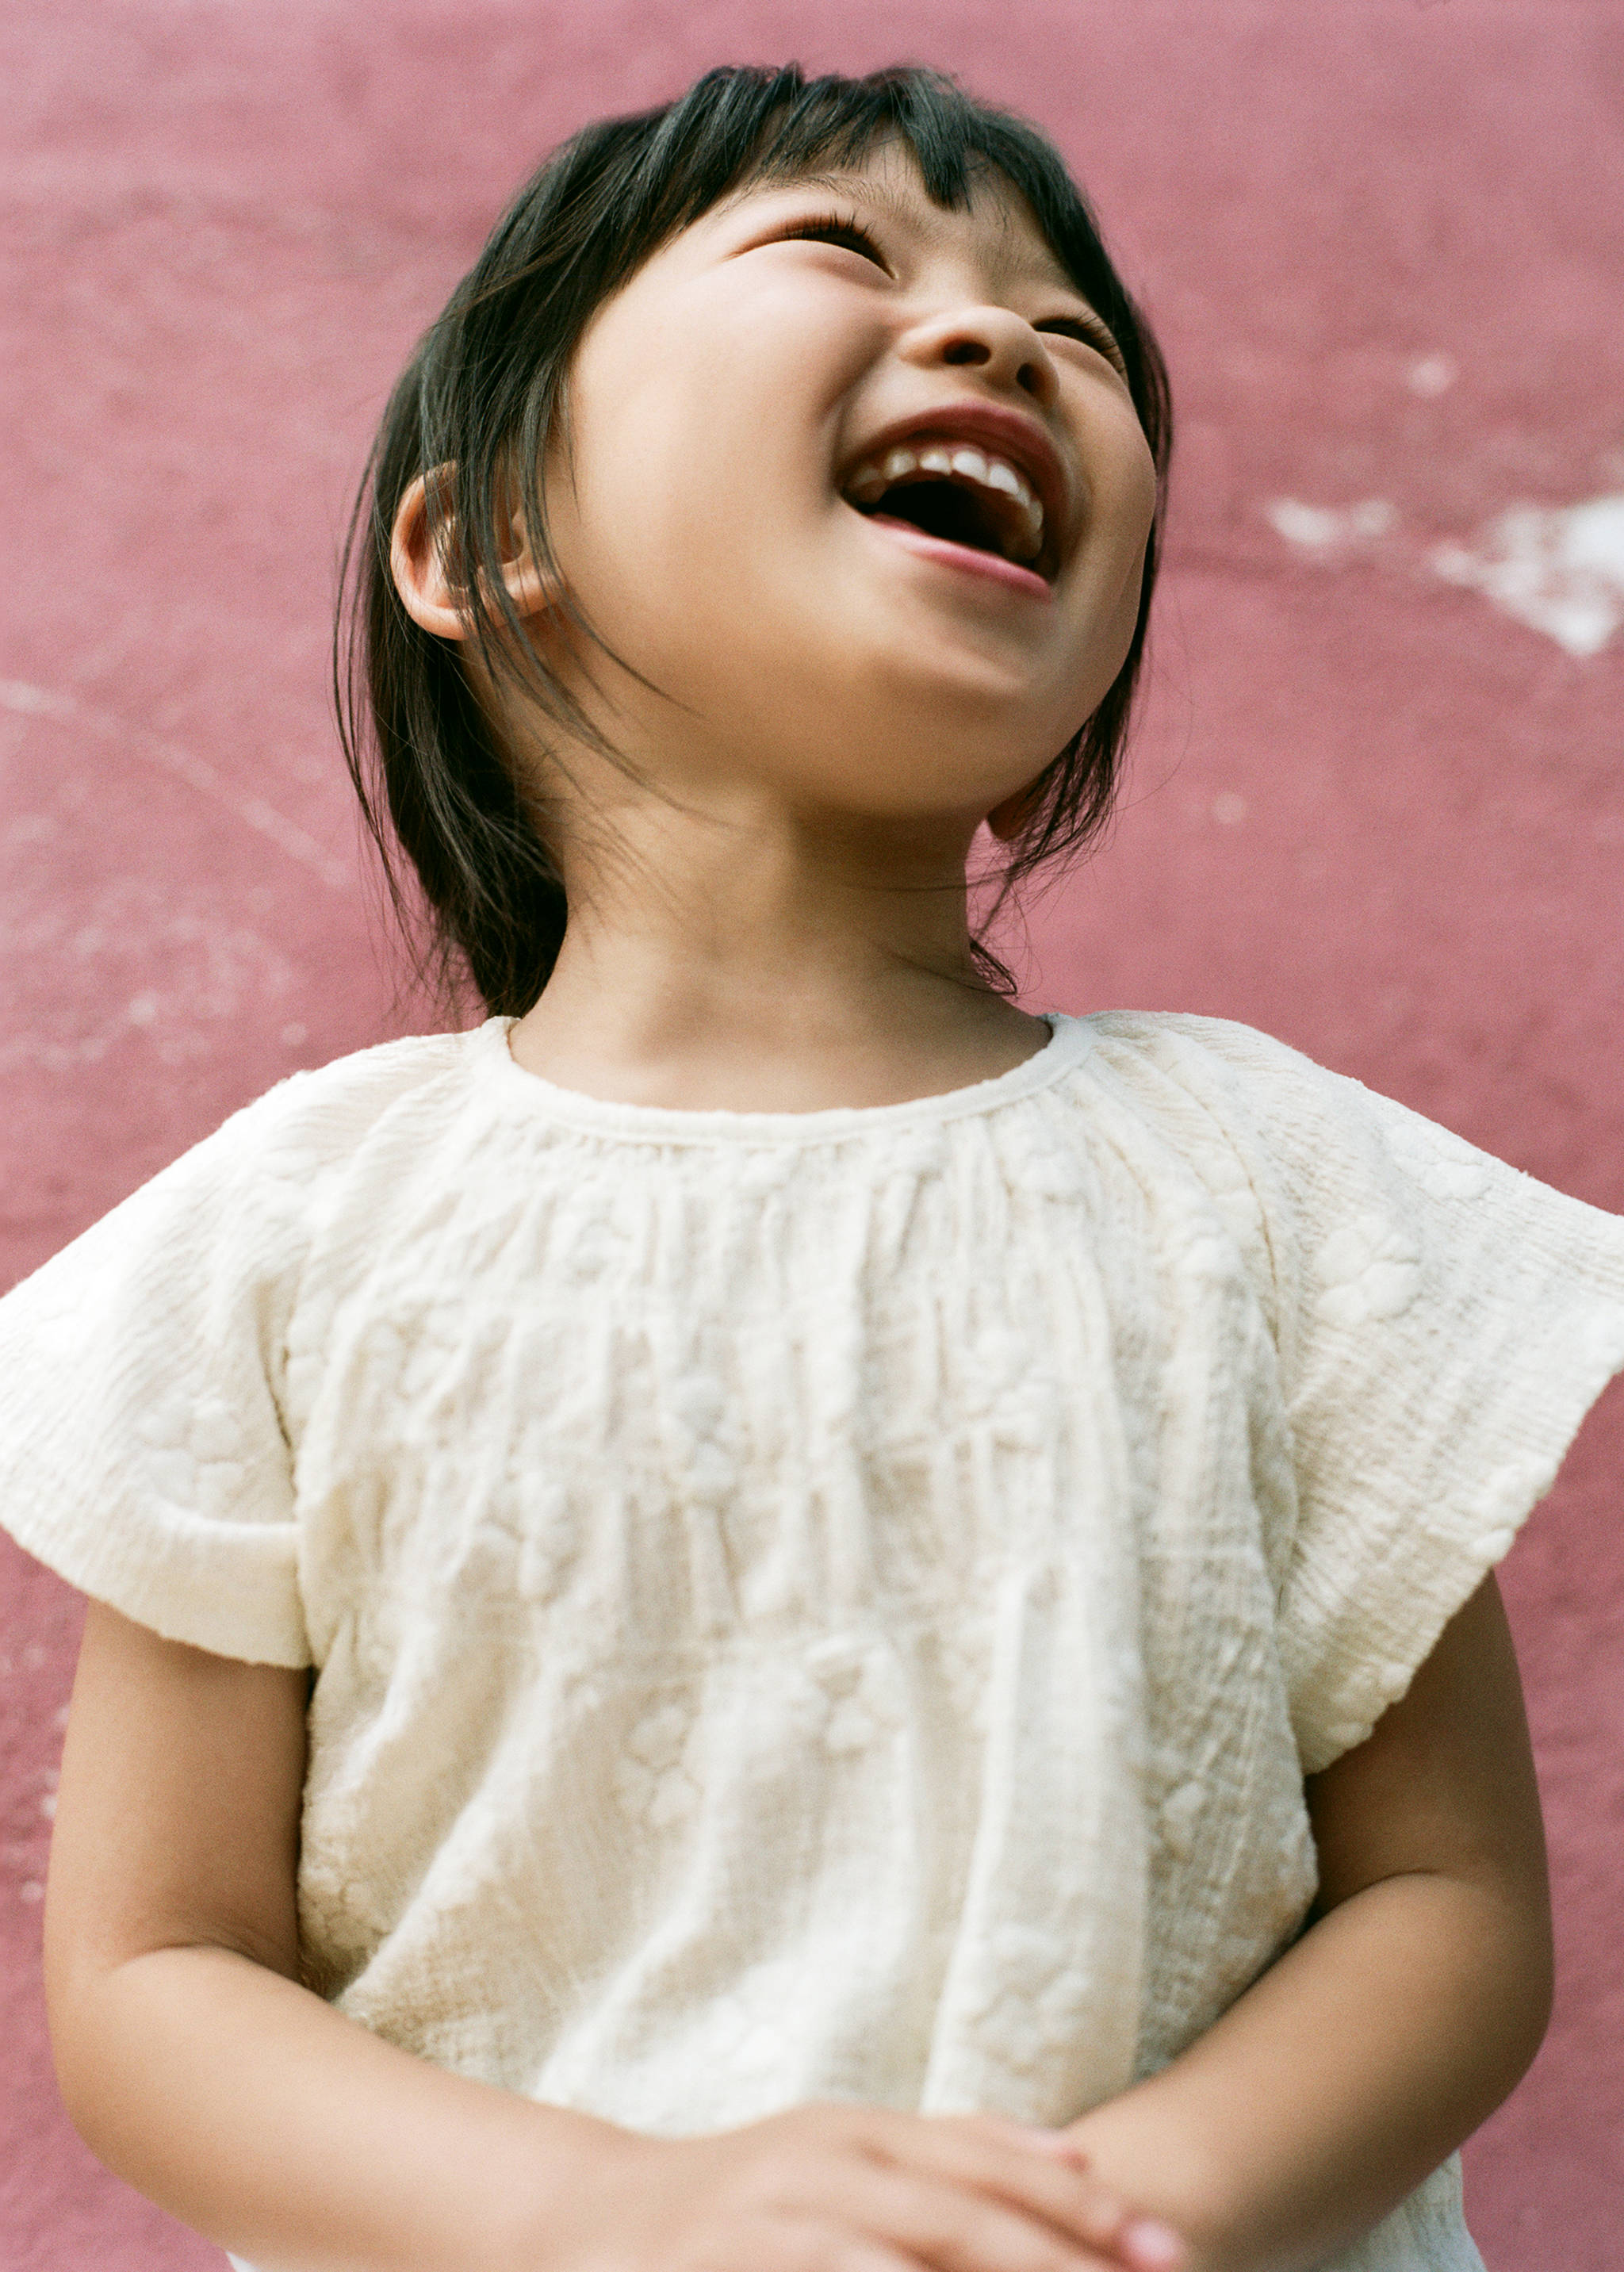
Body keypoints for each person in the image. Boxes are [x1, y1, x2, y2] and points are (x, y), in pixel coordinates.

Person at [2, 59, 1619, 2272]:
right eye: (842, 252)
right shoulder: (289, 1238)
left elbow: (1444, 1905)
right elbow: (156, 1982)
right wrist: (610, 2210)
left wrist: (1105, 2225)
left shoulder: (1280, 1190)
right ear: (484, 540)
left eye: (1074, 332)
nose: (999, 340)